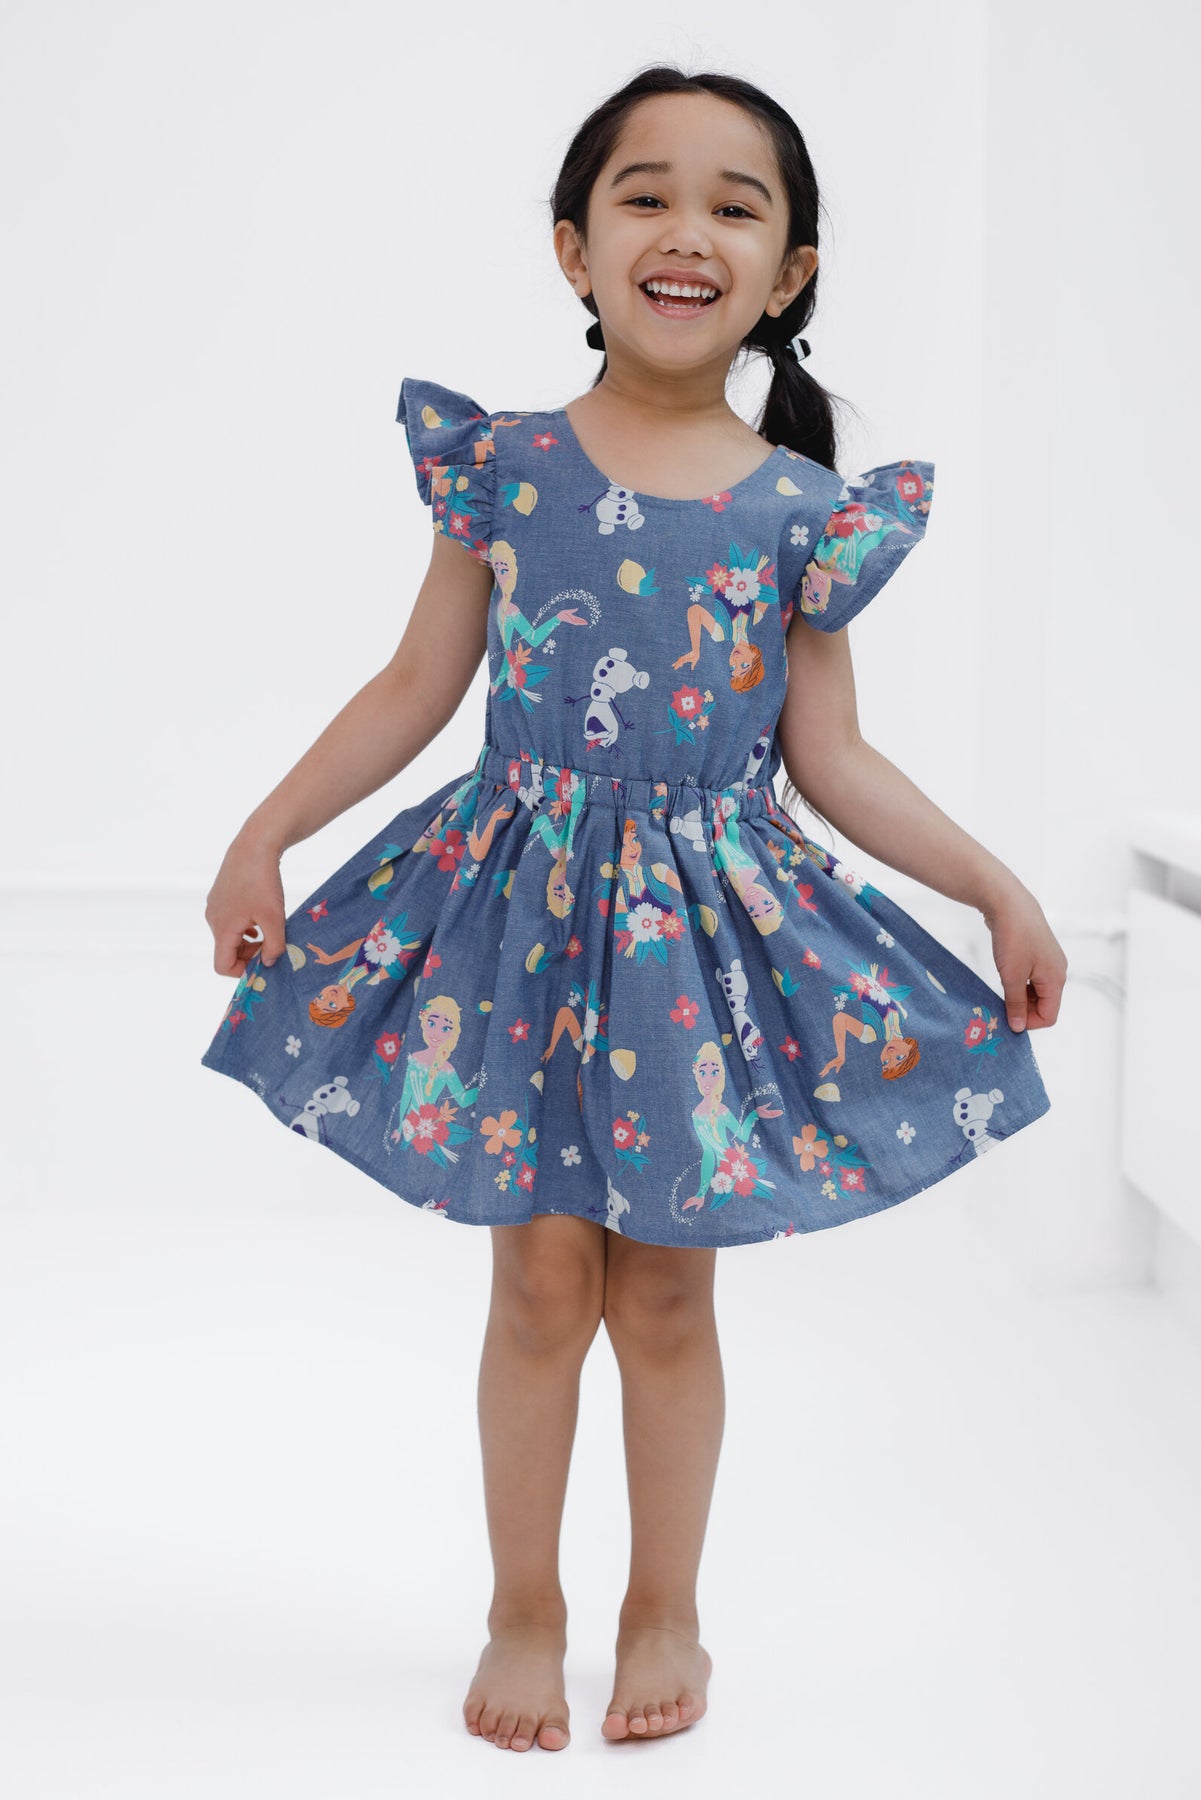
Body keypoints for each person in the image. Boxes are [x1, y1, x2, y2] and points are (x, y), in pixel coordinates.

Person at [201, 64, 1067, 1754]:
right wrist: (266, 833)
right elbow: (414, 686)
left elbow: (833, 757)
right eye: (644, 195)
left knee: (666, 1295)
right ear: (572, 248)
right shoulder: (504, 469)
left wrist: (995, 886)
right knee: (539, 1287)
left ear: (788, 272)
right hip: (515, 924)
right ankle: (521, 1606)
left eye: (734, 206)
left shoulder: (803, 515)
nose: (686, 232)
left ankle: (662, 1605)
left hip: (696, 955)